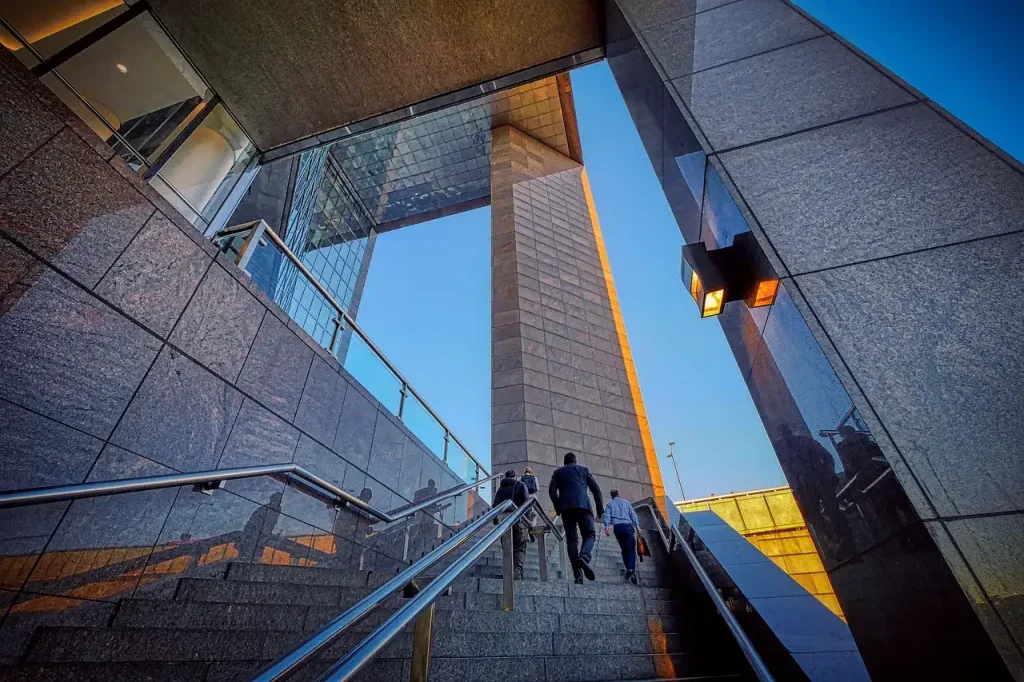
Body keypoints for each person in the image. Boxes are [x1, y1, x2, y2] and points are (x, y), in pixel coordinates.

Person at [548, 452, 604, 583]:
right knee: (590, 535)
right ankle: (584, 558)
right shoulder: (583, 470)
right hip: (583, 506)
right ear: (575, 461)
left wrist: (558, 507)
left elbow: (551, 491)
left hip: (567, 509)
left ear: (564, 462)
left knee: (572, 541)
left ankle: (578, 575)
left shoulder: (558, 473)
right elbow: (596, 490)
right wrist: (600, 510)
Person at [492, 469, 531, 580]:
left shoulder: (500, 489)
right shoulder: (521, 485)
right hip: (519, 519)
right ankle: (517, 570)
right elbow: (527, 503)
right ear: (515, 476)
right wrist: (528, 521)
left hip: (503, 521)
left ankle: (508, 570)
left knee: (507, 547)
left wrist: (495, 520)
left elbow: (495, 505)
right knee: (519, 547)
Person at [602, 489, 641, 584]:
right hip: (627, 526)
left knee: (624, 549)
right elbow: (633, 515)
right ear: (618, 495)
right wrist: (638, 527)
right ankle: (631, 569)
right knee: (631, 548)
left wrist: (606, 527)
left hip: (618, 528)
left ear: (612, 496)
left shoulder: (610, 505)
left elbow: (606, 516)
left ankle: (628, 568)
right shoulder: (626, 503)